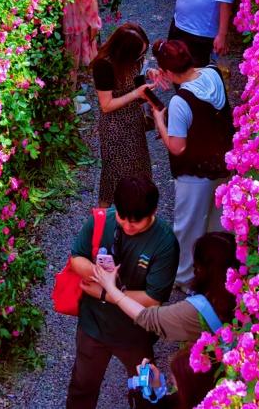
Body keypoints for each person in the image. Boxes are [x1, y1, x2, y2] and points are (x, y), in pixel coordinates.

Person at [65, 175, 179, 409]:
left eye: (136, 222)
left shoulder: (165, 242)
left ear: (154, 211)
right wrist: (99, 273)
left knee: (145, 392)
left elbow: (152, 300)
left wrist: (105, 291)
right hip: (93, 326)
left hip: (135, 333)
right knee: (82, 387)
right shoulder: (101, 221)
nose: (127, 226)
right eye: (122, 218)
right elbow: (76, 259)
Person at [148, 39, 232, 287]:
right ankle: (219, 273)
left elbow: (177, 147)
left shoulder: (180, 102)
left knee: (188, 228)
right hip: (224, 162)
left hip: (194, 172)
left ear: (168, 71)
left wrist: (159, 120)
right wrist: (162, 71)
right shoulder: (213, 73)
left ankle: (185, 277)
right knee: (218, 224)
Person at [93, 231, 237, 343]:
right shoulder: (246, 292)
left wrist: (110, 289)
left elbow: (149, 318)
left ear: (200, 269)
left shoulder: (196, 311)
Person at [91, 24, 154, 207]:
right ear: (125, 52)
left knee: (139, 171)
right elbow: (106, 105)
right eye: (139, 55)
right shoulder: (104, 65)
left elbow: (135, 78)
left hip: (133, 123)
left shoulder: (131, 59)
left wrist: (148, 74)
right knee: (114, 178)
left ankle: (136, 212)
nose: (141, 58)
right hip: (115, 129)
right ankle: (104, 221)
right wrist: (136, 94)